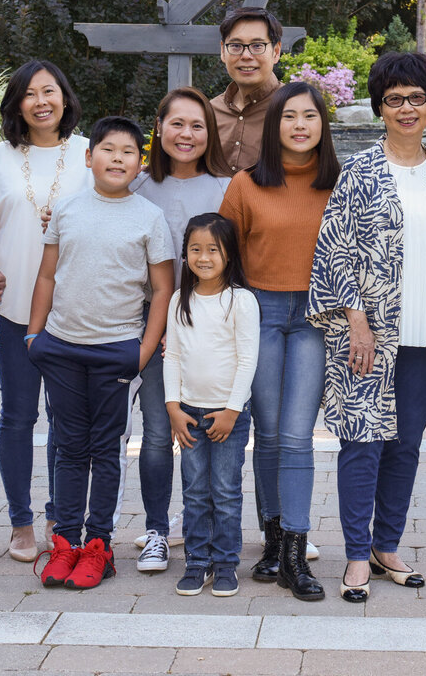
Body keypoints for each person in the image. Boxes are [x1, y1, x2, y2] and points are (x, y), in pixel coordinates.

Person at [308, 52, 426, 603]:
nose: (406, 108)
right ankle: (355, 554)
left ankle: (386, 545)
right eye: (394, 99)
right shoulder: (359, 172)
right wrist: (357, 322)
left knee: (405, 446)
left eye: (416, 97)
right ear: (379, 107)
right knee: (362, 443)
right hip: (369, 335)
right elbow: (335, 249)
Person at [27, 117, 175, 590]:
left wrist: (143, 351)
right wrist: (34, 336)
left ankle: (99, 546)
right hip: (62, 347)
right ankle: (65, 542)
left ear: (140, 162)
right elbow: (47, 274)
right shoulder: (67, 209)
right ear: (89, 158)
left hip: (117, 352)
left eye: (128, 152)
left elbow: (163, 288)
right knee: (69, 448)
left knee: (107, 451)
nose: (117, 158)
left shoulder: (148, 216)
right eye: (108, 149)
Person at [219, 81, 339, 601]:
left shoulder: (340, 182)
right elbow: (222, 258)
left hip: (316, 315)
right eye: (289, 116)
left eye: (309, 116)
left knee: (296, 435)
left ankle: (295, 552)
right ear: (274, 125)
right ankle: (271, 542)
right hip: (260, 313)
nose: (299, 125)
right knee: (267, 434)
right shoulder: (245, 185)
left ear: (322, 124)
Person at [0, 60, 90, 562]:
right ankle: (20, 520)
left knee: (65, 420)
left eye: (50, 91)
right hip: (12, 308)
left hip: (73, 310)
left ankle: (58, 516)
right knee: (18, 416)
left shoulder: (89, 152)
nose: (41, 102)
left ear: (65, 97)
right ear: (17, 104)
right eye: (29, 93)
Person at [122, 87, 231, 573]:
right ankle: (156, 531)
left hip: (210, 327)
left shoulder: (227, 188)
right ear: (159, 128)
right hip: (150, 323)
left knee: (203, 429)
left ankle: (199, 522)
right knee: (156, 430)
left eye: (198, 125)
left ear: (210, 133)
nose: (186, 134)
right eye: (177, 124)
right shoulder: (137, 186)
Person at [165, 213, 259, 598]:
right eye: (195, 249)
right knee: (194, 491)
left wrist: (233, 411)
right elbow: (172, 357)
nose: (203, 257)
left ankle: (225, 563)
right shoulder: (179, 300)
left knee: (225, 490)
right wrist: (173, 407)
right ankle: (197, 561)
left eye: (213, 250)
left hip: (227, 416)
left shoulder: (241, 301)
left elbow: (247, 360)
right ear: (185, 254)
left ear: (229, 254)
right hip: (188, 413)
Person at [211, 6, 285, 175]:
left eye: (257, 46)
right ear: (223, 51)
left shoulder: (292, 108)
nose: (246, 56)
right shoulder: (210, 112)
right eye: (236, 46)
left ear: (276, 52)